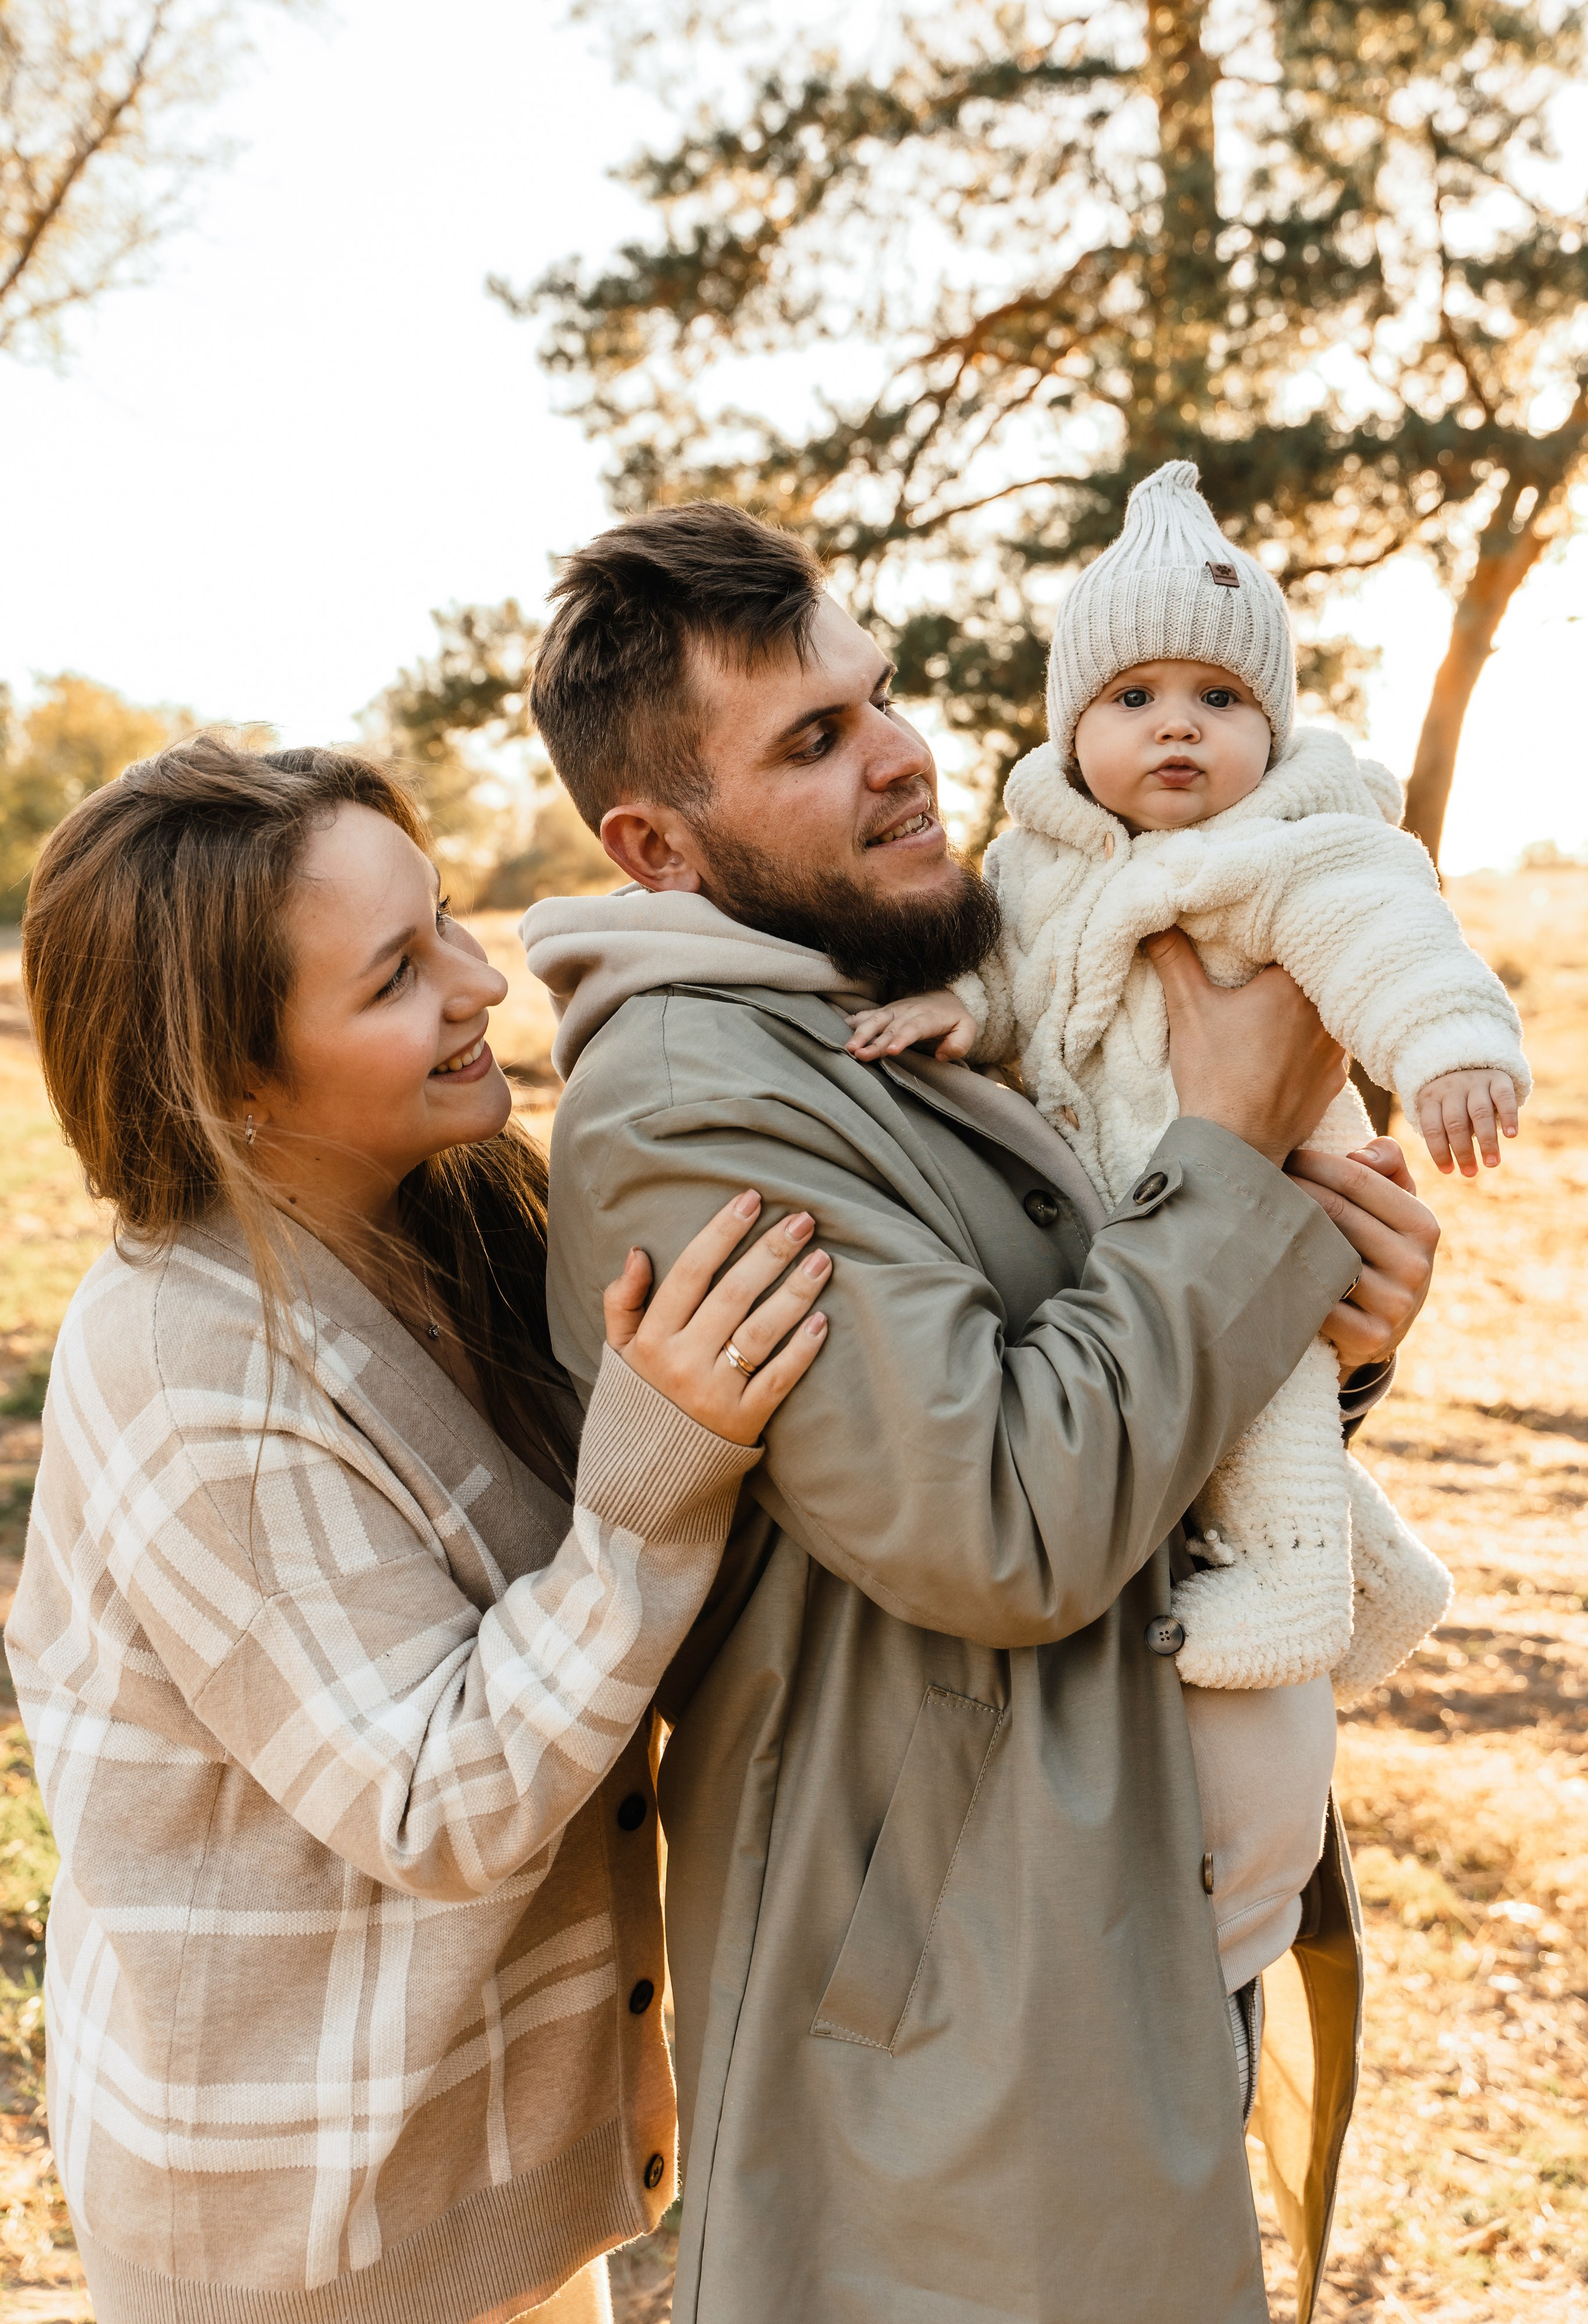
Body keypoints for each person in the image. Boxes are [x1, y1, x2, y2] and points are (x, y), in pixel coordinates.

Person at [520, 503, 1442, 2324]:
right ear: (656, 842)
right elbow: (1003, 1519)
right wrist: (1233, 1153)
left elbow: (1106, 1351)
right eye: (811, 740)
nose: (901, 754)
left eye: (875, 697)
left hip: (1083, 1906)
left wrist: (1326, 1341)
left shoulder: (878, 1001)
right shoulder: (693, 1102)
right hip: (947, 1992)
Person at [6, 737, 831, 2324]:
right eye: (395, 975)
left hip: (475, 2176)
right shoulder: (190, 1365)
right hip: (309, 2245)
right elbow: (437, 1793)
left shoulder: (438, 1214)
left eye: (447, 916)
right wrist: (654, 1483)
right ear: (235, 1075)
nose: (479, 982)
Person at [842, 460, 1526, 1695]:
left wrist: (1445, 1045)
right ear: (1069, 730)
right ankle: (1384, 1574)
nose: (1175, 723)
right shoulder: (1035, 863)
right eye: (1133, 695)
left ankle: (1303, 1593)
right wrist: (955, 1008)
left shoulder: (1286, 849)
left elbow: (1384, 932)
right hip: (1122, 1209)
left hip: (1257, 1202)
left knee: (1259, 1402)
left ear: (1269, 728)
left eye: (1217, 694)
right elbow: (1009, 972)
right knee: (1198, 1427)